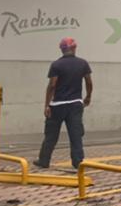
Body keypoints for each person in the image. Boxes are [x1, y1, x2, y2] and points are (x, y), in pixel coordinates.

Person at [35, 37, 91, 171]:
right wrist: (88, 97)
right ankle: (78, 162)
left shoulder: (56, 65)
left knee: (51, 135)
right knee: (76, 134)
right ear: (74, 48)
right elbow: (88, 82)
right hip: (75, 104)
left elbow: (52, 85)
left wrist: (47, 105)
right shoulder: (83, 64)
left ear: (62, 49)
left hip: (57, 105)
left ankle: (44, 160)